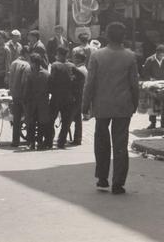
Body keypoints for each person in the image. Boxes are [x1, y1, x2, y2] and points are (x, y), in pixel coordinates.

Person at [82, 22, 139, 195]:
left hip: (101, 105)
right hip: (123, 105)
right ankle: (118, 183)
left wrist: (85, 105)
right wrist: (134, 103)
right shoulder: (130, 56)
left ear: (106, 36)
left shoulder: (97, 56)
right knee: (120, 144)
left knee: (101, 142)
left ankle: (102, 177)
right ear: (123, 37)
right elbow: (134, 84)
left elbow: (89, 83)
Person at [47, 46, 81, 149]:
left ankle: (49, 141)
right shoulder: (72, 66)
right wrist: (74, 86)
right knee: (66, 121)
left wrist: (51, 90)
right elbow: (81, 77)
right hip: (68, 97)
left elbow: (51, 80)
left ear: (59, 54)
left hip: (56, 97)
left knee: (51, 120)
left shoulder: (55, 65)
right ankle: (61, 142)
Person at [142, 45, 164, 129]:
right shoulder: (150, 60)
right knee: (153, 103)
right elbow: (145, 72)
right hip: (154, 84)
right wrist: (150, 79)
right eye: (159, 55)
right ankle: (153, 122)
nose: (161, 57)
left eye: (162, 55)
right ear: (156, 53)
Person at [25, 53, 51, 150]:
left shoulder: (30, 75)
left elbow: (27, 90)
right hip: (43, 103)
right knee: (41, 124)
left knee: (31, 124)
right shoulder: (47, 74)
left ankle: (31, 143)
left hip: (32, 103)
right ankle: (39, 142)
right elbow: (50, 88)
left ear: (33, 63)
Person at [9, 46, 31, 147]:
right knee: (27, 117)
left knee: (16, 119)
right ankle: (30, 140)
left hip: (14, 94)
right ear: (26, 54)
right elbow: (24, 82)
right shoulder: (26, 65)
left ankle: (15, 141)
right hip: (23, 95)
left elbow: (9, 79)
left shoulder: (13, 63)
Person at [71, 51, 88, 146]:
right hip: (81, 96)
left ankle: (75, 138)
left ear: (78, 59)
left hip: (77, 96)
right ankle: (77, 138)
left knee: (71, 117)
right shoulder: (83, 69)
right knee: (77, 119)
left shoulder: (80, 70)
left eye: (75, 58)